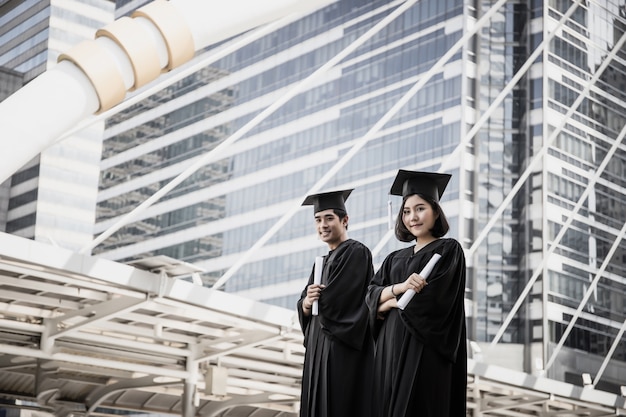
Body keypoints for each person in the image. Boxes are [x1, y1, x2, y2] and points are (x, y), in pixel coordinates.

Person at [366, 170, 467, 417]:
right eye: (407, 211)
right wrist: (396, 293)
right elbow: (369, 296)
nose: (413, 217)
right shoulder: (393, 259)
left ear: (435, 211)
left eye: (420, 208)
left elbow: (435, 301)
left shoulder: (448, 250)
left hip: (423, 347)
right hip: (388, 350)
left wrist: (385, 302)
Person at [297, 189, 375, 417]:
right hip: (316, 346)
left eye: (329, 218)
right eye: (318, 220)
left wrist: (320, 300)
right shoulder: (320, 262)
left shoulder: (356, 252)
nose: (323, 225)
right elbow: (305, 305)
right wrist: (306, 303)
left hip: (340, 346)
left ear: (345, 220)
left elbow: (343, 301)